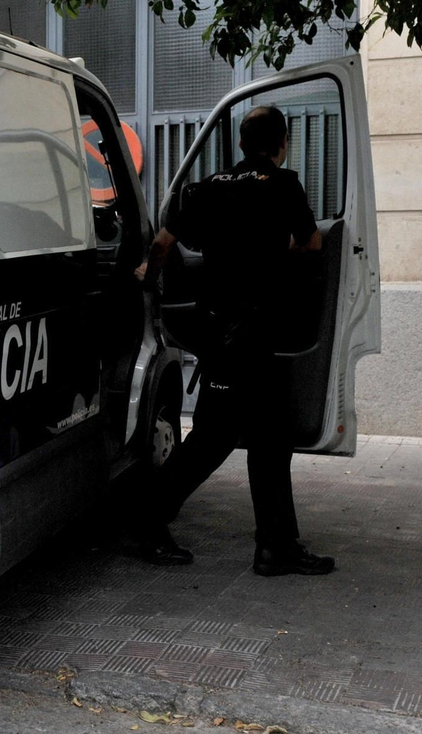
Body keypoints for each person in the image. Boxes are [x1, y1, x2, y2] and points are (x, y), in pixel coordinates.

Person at [129, 105, 337, 577]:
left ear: (242, 145)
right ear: (282, 143)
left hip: (219, 332)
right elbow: (312, 245)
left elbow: (163, 245)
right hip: (255, 335)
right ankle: (159, 523)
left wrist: (148, 276)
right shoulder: (284, 186)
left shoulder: (205, 189)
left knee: (246, 437)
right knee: (242, 440)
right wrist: (273, 247)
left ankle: (272, 546)